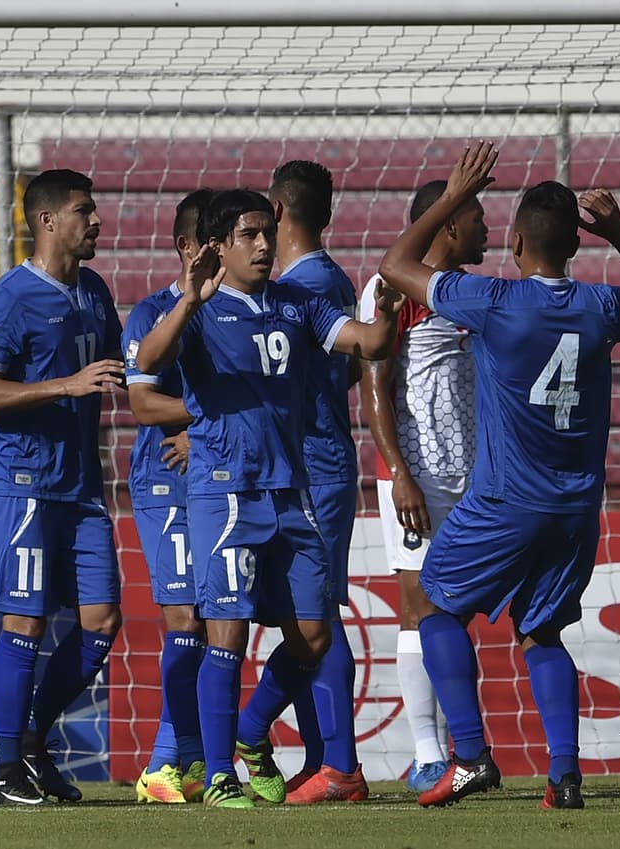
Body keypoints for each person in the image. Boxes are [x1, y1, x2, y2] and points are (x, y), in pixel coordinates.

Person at [377, 141, 620, 809]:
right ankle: (564, 777)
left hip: (504, 501)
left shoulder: (492, 300)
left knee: (433, 605)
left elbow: (394, 267)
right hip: (575, 509)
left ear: (515, 241)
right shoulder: (603, 306)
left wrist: (453, 196)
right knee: (542, 632)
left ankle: (469, 756)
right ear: (576, 245)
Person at [136, 189, 402, 809]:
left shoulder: (297, 303)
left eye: (266, 233)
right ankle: (219, 775)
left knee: (313, 635)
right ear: (218, 247)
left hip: (292, 492)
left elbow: (369, 345)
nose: (263, 245)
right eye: (248, 235)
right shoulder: (196, 308)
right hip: (226, 494)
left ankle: (251, 730)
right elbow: (146, 366)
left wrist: (387, 315)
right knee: (226, 636)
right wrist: (189, 300)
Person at [0, 168, 125, 807]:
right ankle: (7, 770)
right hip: (23, 484)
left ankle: (31, 735)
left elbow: (124, 366)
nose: (98, 221)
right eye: (85, 210)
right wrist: (66, 385)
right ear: (48, 220)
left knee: (102, 621)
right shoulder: (9, 299)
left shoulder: (95, 291)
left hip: (80, 486)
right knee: (25, 621)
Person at [358, 179, 487, 793]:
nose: (489, 230)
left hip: (476, 477)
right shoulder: (390, 288)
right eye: (478, 217)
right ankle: (430, 754)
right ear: (450, 224)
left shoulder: (471, 292)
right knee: (420, 608)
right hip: (417, 477)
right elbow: (374, 386)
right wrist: (399, 473)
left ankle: (467, 747)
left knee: (453, 612)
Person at [266, 160, 368, 805]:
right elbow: (348, 371)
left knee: (316, 615)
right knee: (298, 617)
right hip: (311, 462)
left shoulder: (300, 290)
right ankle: (320, 759)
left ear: (277, 211)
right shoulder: (333, 279)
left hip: (315, 466)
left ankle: (342, 766)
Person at [122, 189, 213, 804]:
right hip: (166, 484)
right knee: (185, 619)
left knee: (217, 621)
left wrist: (205, 430)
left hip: (222, 483)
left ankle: (189, 757)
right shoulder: (151, 314)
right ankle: (165, 763)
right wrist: (204, 419)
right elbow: (143, 403)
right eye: (215, 240)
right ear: (187, 247)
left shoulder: (234, 312)